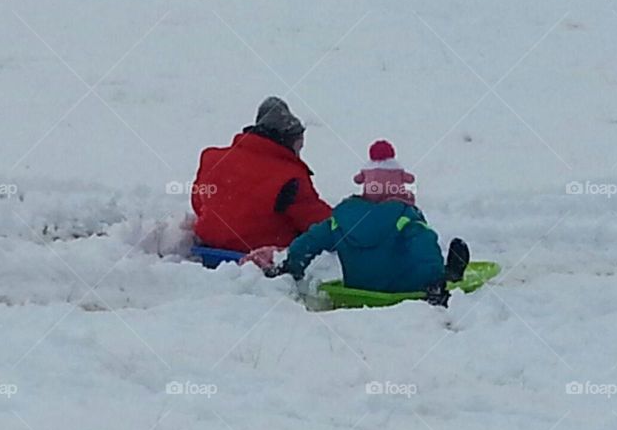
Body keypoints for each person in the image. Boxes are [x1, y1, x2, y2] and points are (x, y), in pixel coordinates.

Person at [267, 141, 470, 306]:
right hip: (404, 287)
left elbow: (310, 241)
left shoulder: (341, 220)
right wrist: (435, 280)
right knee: (427, 265)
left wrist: (293, 264)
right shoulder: (404, 216)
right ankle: (448, 276)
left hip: (358, 285)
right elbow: (425, 246)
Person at [191, 97, 332, 252]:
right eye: (298, 148)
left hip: (209, 245)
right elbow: (321, 225)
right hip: (258, 254)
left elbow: (198, 202)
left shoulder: (212, 159)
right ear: (287, 142)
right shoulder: (289, 178)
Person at [353, 139, 416, 205]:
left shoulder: (368, 169)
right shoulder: (396, 168)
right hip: (395, 197)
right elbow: (410, 179)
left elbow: (357, 180)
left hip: (371, 199)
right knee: (408, 195)